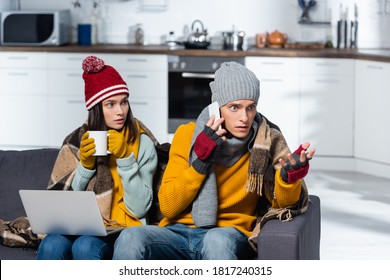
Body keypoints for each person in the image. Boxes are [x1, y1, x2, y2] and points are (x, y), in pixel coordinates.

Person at [113, 61, 315, 260]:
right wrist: (200, 162)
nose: (245, 117)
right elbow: (168, 206)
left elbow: (284, 204)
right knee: (130, 236)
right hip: (177, 233)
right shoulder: (186, 135)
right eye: (234, 107)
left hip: (228, 233)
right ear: (217, 108)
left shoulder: (265, 142)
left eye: (251, 107)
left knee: (215, 240)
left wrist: (288, 180)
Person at [35, 55, 158, 260]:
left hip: (122, 227)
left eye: (124, 102)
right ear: (96, 108)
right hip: (79, 225)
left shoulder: (142, 144)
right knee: (51, 244)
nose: (120, 111)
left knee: (85, 245)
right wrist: (85, 166)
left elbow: (138, 209)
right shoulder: (76, 142)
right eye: (110, 104)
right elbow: (63, 206)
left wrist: (126, 158)